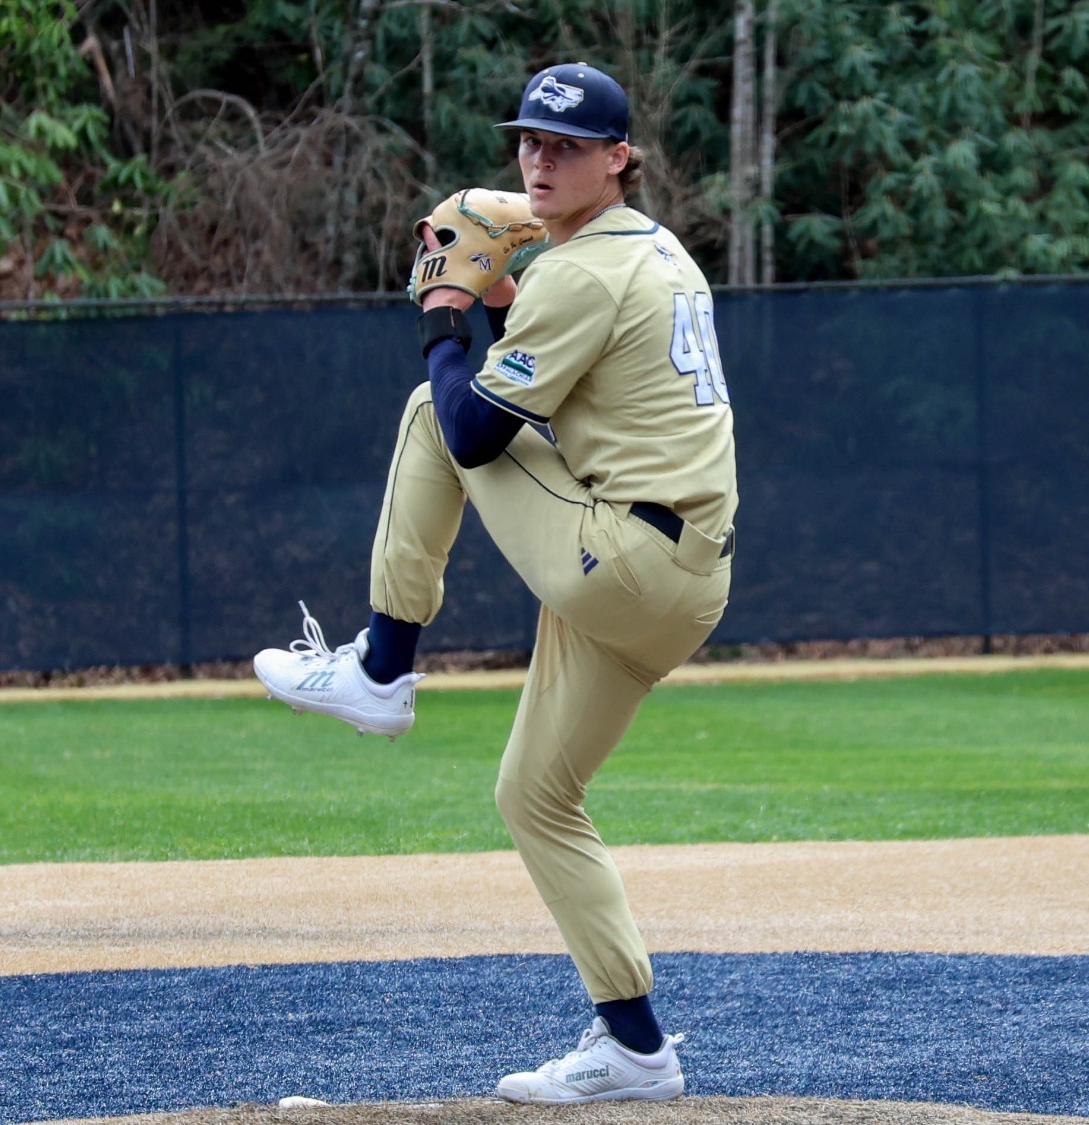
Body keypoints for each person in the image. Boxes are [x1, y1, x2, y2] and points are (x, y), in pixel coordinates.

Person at [251, 61, 736, 1105]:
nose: (538, 158)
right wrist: (511, 296)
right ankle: (637, 1049)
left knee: (434, 414)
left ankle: (381, 669)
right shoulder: (646, 251)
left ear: (619, 159)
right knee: (534, 796)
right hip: (677, 575)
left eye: (566, 145)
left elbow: (474, 429)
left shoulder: (583, 270)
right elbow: (575, 393)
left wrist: (444, 310)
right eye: (529, 141)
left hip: (628, 555)